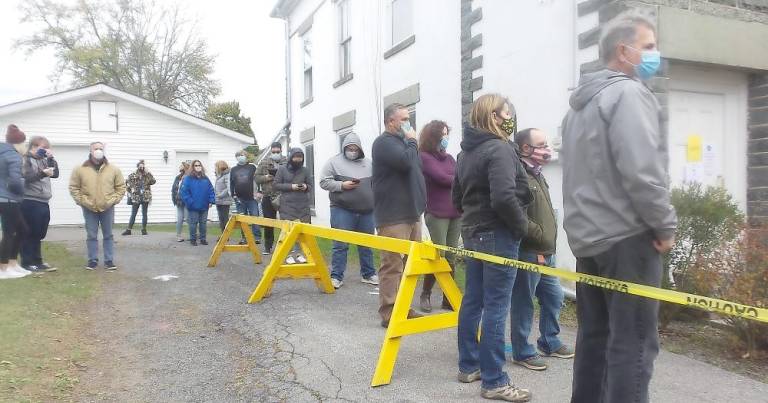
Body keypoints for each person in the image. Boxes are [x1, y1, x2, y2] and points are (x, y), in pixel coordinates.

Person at [561, 12, 677, 403]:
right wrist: (664, 226)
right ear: (623, 52)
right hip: (627, 238)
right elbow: (642, 171)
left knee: (595, 338)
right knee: (634, 344)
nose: (654, 54)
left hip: (589, 240)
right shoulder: (628, 94)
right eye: (647, 46)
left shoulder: (576, 109)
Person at [452, 94, 532, 402]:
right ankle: (495, 380)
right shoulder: (498, 149)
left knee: (473, 300)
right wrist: (521, 226)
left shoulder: (465, 153)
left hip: (473, 231)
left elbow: (457, 197)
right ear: (493, 117)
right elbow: (503, 197)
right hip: (497, 233)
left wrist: (472, 219)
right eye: (507, 112)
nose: (511, 116)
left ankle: (469, 365)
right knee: (497, 306)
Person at [509, 128, 574, 372]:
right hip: (530, 251)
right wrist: (538, 236)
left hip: (546, 251)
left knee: (554, 296)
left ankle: (549, 340)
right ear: (525, 148)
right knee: (524, 301)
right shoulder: (520, 176)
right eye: (541, 144)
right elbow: (517, 216)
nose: (547, 148)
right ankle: (522, 351)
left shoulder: (537, 174)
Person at [372, 103, 426, 328]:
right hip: (393, 215)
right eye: (403, 119)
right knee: (393, 264)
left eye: (409, 118)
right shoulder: (384, 143)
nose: (408, 122)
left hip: (412, 213)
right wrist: (414, 141)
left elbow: (415, 170)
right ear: (390, 121)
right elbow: (405, 163)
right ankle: (389, 311)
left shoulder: (405, 144)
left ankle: (404, 306)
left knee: (411, 265)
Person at [319, 133, 377, 289]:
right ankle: (336, 276)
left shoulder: (369, 163)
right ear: (344, 148)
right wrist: (341, 185)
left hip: (366, 211)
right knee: (340, 243)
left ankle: (368, 274)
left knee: (366, 243)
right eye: (349, 148)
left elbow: (377, 183)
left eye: (355, 149)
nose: (352, 151)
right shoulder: (333, 162)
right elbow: (323, 182)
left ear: (360, 149)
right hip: (342, 210)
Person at [418, 120, 461, 313]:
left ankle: (448, 297)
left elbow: (460, 177)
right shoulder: (424, 157)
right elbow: (442, 178)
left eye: (447, 134)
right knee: (438, 256)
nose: (446, 138)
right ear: (433, 136)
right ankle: (425, 293)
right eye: (443, 134)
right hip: (437, 213)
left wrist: (460, 180)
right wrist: (459, 180)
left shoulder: (450, 158)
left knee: (451, 256)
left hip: (456, 212)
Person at [69, 142, 126, 270]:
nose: (98, 150)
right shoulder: (80, 169)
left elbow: (121, 187)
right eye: (96, 148)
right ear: (90, 150)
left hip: (107, 207)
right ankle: (92, 260)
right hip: (89, 207)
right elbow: (74, 187)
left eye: (101, 148)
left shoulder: (113, 169)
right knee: (91, 235)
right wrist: (82, 201)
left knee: (108, 235)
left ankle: (109, 260)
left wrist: (114, 200)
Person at [20, 135, 59, 273]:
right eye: (43, 148)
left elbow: (55, 174)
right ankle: (27, 262)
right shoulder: (26, 160)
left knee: (39, 233)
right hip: (30, 200)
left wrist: (51, 159)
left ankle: (38, 261)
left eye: (47, 148)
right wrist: (42, 173)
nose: (45, 150)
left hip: (44, 201)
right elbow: (27, 178)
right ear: (33, 147)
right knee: (29, 232)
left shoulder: (44, 160)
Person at [0, 125, 30, 279]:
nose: (25, 146)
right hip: (8, 199)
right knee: (9, 232)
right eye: (24, 143)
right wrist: (21, 191)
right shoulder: (13, 155)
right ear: (18, 143)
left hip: (4, 198)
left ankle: (12, 264)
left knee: (22, 230)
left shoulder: (2, 152)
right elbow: (14, 181)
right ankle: (3, 268)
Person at [273, 148, 312, 264]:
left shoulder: (305, 170)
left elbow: (310, 185)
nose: (298, 159)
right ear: (291, 157)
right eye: (296, 157)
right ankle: (288, 254)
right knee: (288, 231)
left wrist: (305, 187)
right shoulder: (282, 169)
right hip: (287, 204)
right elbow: (276, 185)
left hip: (303, 204)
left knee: (302, 231)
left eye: (300, 157)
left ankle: (300, 253)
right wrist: (291, 187)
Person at [256, 142, 287, 255]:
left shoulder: (287, 162)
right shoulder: (264, 162)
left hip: (283, 195)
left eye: (277, 152)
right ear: (270, 151)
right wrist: (265, 177)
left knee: (286, 221)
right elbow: (256, 177)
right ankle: (268, 246)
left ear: (281, 151)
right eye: (273, 152)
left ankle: (286, 245)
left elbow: (292, 176)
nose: (275, 154)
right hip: (268, 195)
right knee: (269, 222)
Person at [230, 150, 263, 246]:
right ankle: (245, 238)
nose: (241, 156)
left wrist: (259, 192)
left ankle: (257, 237)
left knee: (255, 217)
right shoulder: (233, 169)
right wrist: (233, 195)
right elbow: (231, 183)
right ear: (236, 157)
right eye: (239, 155)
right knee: (242, 219)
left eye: (243, 155)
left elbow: (258, 179)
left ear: (246, 156)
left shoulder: (252, 167)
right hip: (239, 198)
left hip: (252, 198)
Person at [180, 160, 215, 246]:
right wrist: (190, 202)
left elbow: (211, 190)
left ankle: (203, 239)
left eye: (199, 165)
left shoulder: (205, 178)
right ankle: (193, 239)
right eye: (196, 165)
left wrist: (211, 201)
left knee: (203, 223)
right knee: (193, 223)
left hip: (204, 205)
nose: (198, 167)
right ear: (193, 167)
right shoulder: (188, 179)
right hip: (193, 206)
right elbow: (184, 192)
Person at [122, 160, 156, 236]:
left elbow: (153, 181)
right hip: (136, 197)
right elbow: (127, 183)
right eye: (140, 166)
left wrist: (148, 173)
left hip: (145, 196)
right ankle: (129, 230)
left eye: (142, 166)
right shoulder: (133, 175)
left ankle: (144, 229)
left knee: (144, 213)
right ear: (137, 167)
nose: (141, 168)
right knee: (133, 214)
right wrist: (131, 192)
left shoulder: (147, 175)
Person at [172, 162, 191, 242]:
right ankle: (180, 235)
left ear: (185, 167)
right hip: (180, 200)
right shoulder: (179, 177)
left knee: (186, 218)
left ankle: (190, 235)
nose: (179, 167)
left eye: (181, 165)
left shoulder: (187, 177)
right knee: (183, 218)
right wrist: (174, 199)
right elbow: (174, 189)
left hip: (183, 200)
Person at [214, 160, 233, 232]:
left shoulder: (227, 175)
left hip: (225, 201)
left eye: (216, 166)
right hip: (219, 201)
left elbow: (228, 187)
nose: (215, 168)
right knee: (221, 219)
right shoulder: (219, 175)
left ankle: (226, 236)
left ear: (219, 166)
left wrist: (220, 195)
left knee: (224, 219)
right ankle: (223, 235)